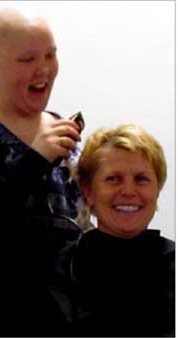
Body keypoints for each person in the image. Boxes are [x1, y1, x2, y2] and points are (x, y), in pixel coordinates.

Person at [0, 8, 84, 337]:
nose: (44, 70)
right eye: (27, 59)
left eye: (51, 55)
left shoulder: (68, 130)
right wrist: (34, 162)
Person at [72, 124, 175, 337]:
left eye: (141, 179)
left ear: (157, 190)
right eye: (113, 179)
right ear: (88, 191)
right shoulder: (59, 269)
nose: (129, 191)